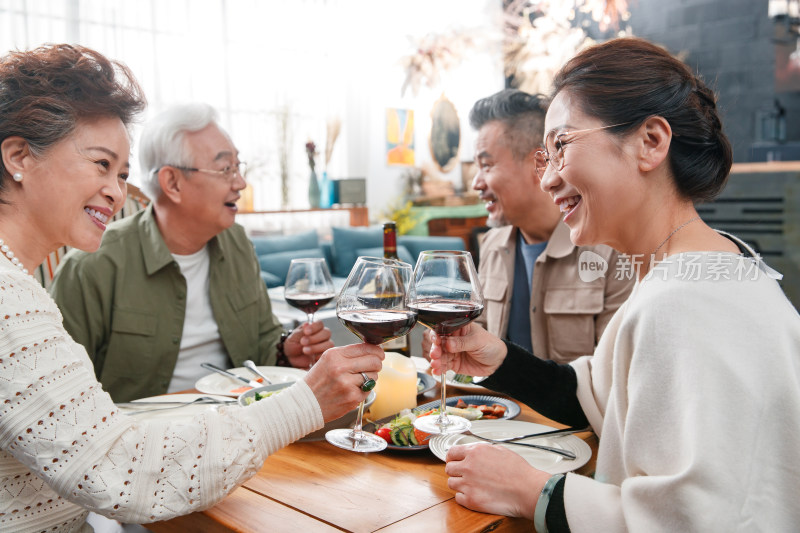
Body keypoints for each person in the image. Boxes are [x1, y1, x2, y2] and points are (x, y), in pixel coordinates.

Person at [0, 43, 383, 532]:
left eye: (121, 173)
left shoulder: (19, 286)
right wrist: (305, 403)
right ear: (18, 157)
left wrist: (288, 358)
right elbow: (118, 471)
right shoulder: (15, 298)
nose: (117, 192)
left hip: (204, 463)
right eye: (100, 164)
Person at [429, 37, 800, 531]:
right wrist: (499, 358)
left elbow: (692, 522)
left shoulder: (686, 303)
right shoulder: (706, 268)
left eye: (561, 145)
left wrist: (530, 489)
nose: (548, 179)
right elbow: (599, 396)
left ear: (650, 142)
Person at [50, 102, 334, 402]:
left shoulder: (237, 242)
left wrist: (285, 351)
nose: (240, 183)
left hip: (242, 420)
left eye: (239, 167)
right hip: (144, 437)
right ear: (172, 182)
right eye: (226, 169)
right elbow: (63, 395)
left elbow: (262, 342)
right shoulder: (92, 266)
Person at [468, 89, 633, 360]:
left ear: (541, 164)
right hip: (497, 403)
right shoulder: (492, 245)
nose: (476, 183)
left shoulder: (612, 249)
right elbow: (479, 340)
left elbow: (613, 371)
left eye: (486, 165)